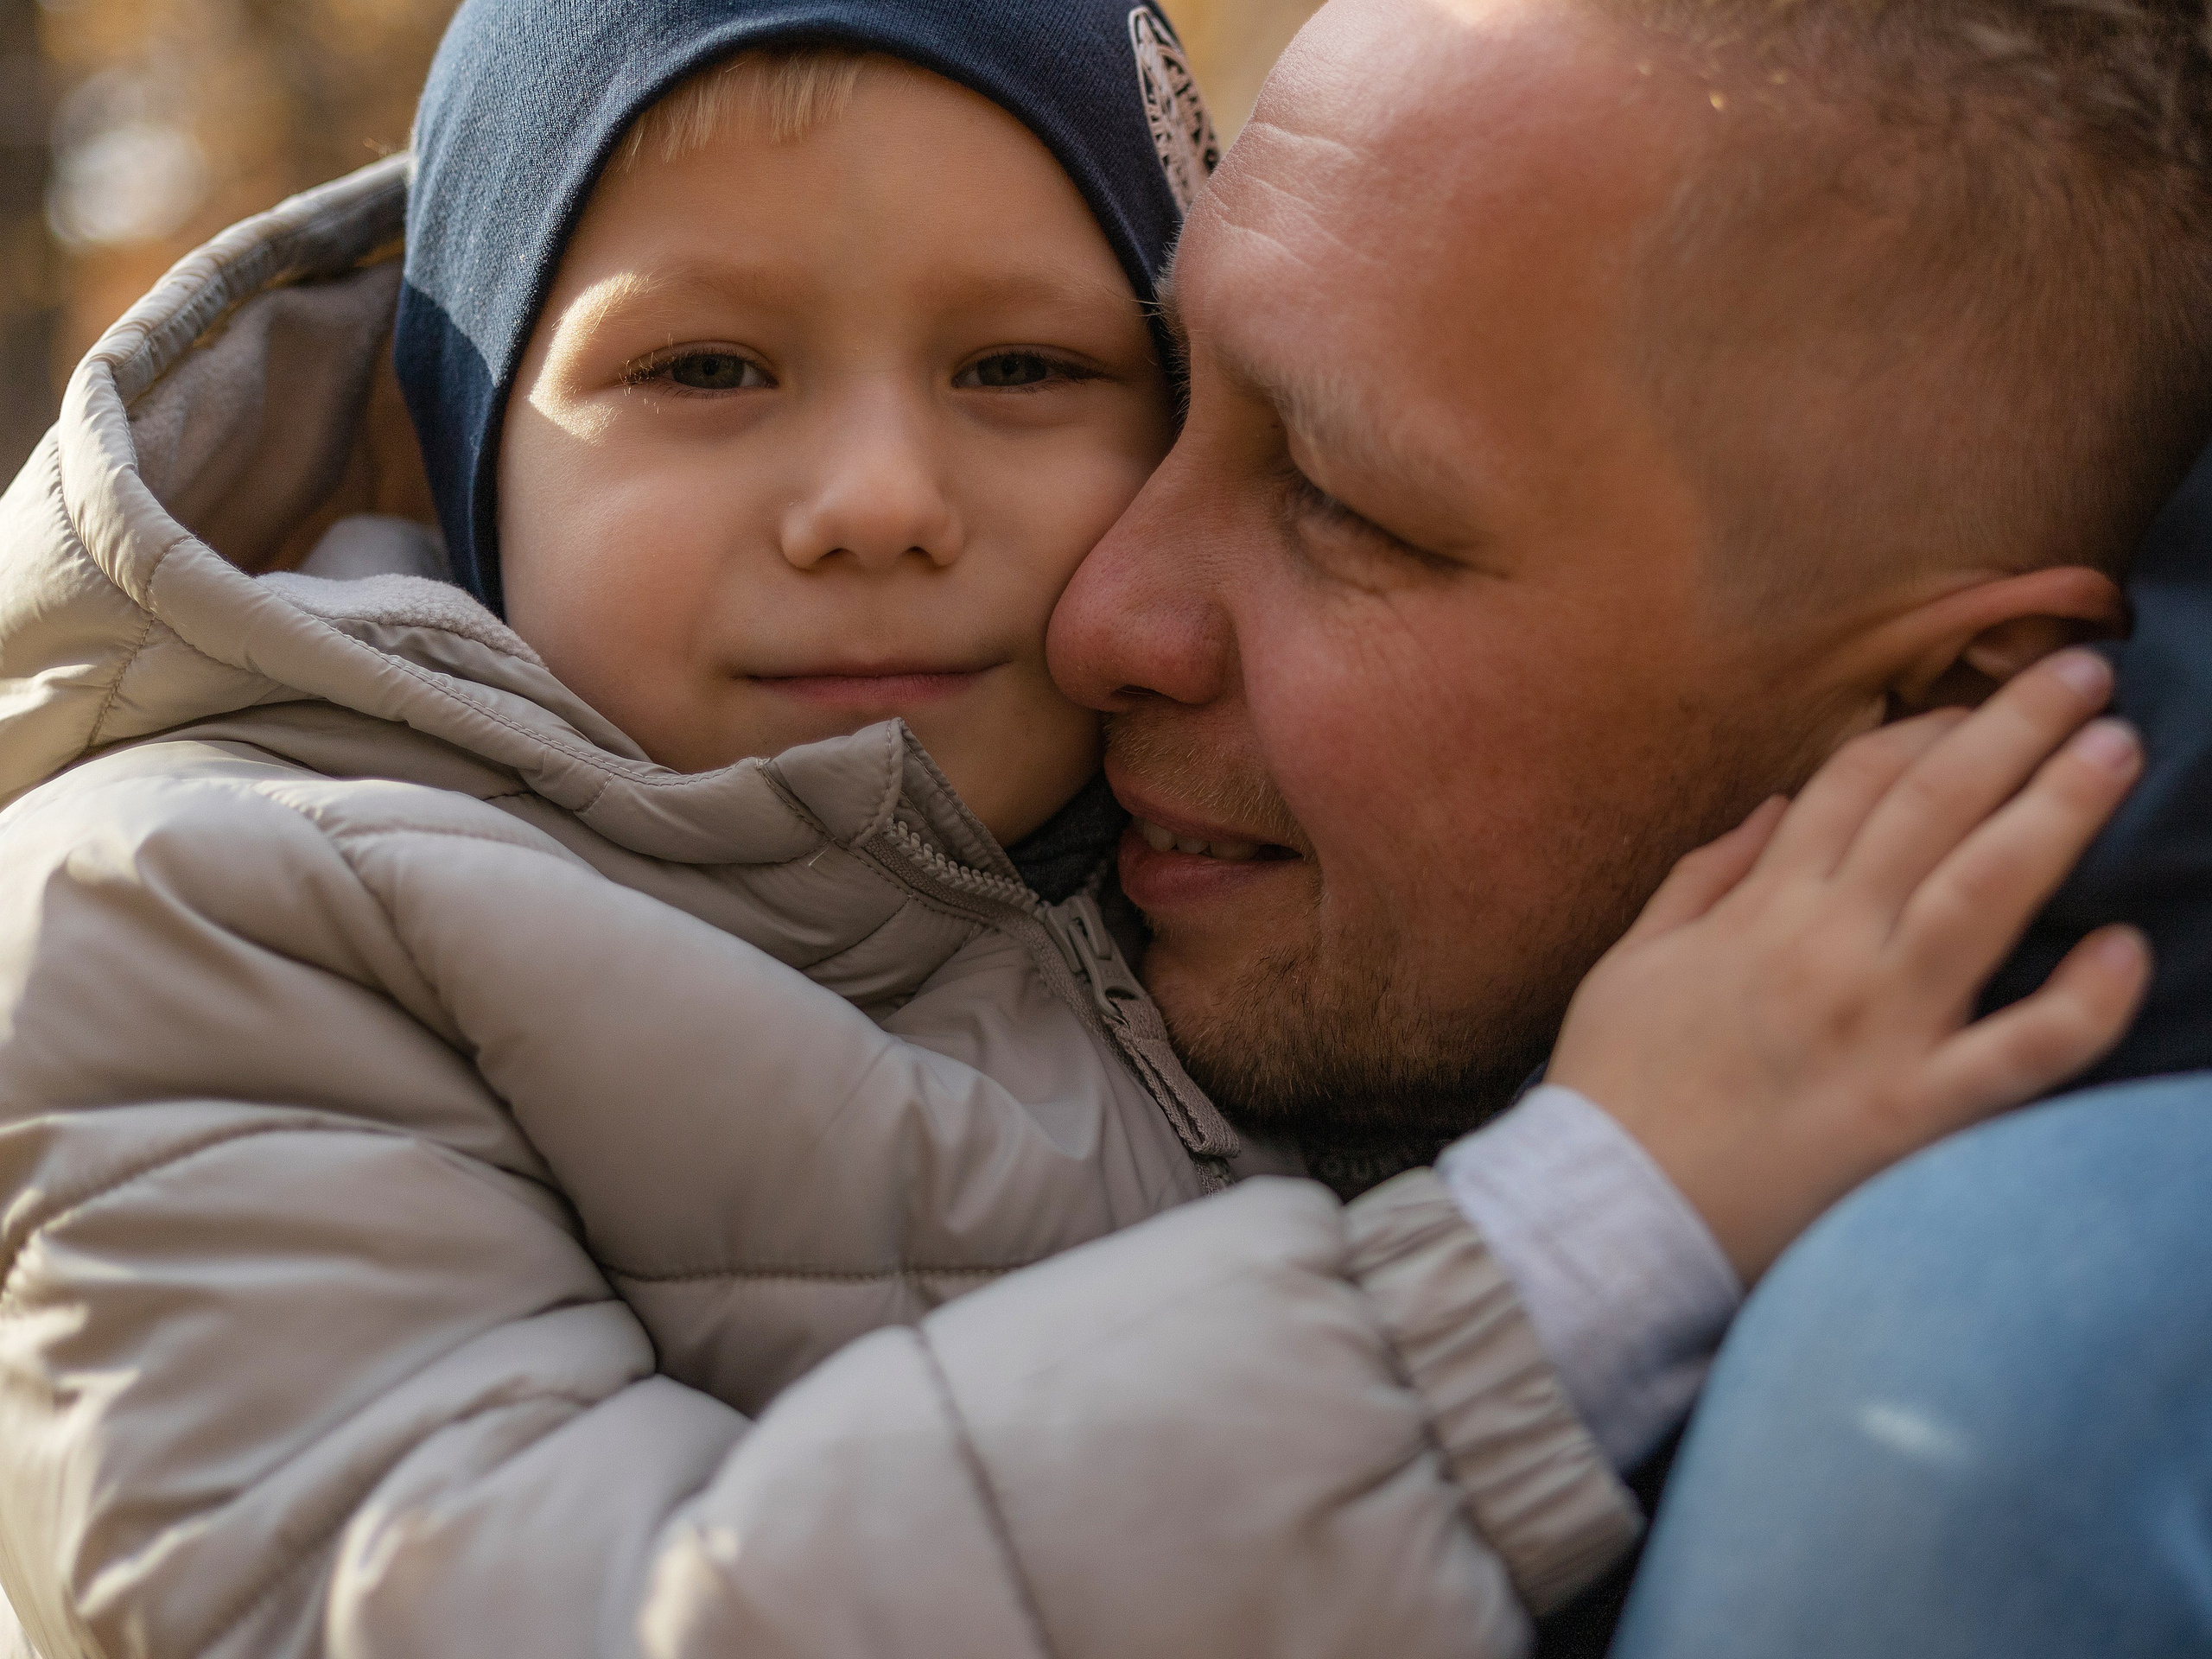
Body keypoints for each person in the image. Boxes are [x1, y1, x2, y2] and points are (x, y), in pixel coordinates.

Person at [0, 9, 2188, 1659]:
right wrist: (1562, 1255)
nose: (887, 506)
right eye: (699, 372)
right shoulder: (210, 914)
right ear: (469, 422)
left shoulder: (1137, 877)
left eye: (1034, 374)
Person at [1039, 0, 2212, 1650]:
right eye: (1166, 393)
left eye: (1341, 503)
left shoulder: (1987, 1399)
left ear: (1939, 708)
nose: (1096, 621)